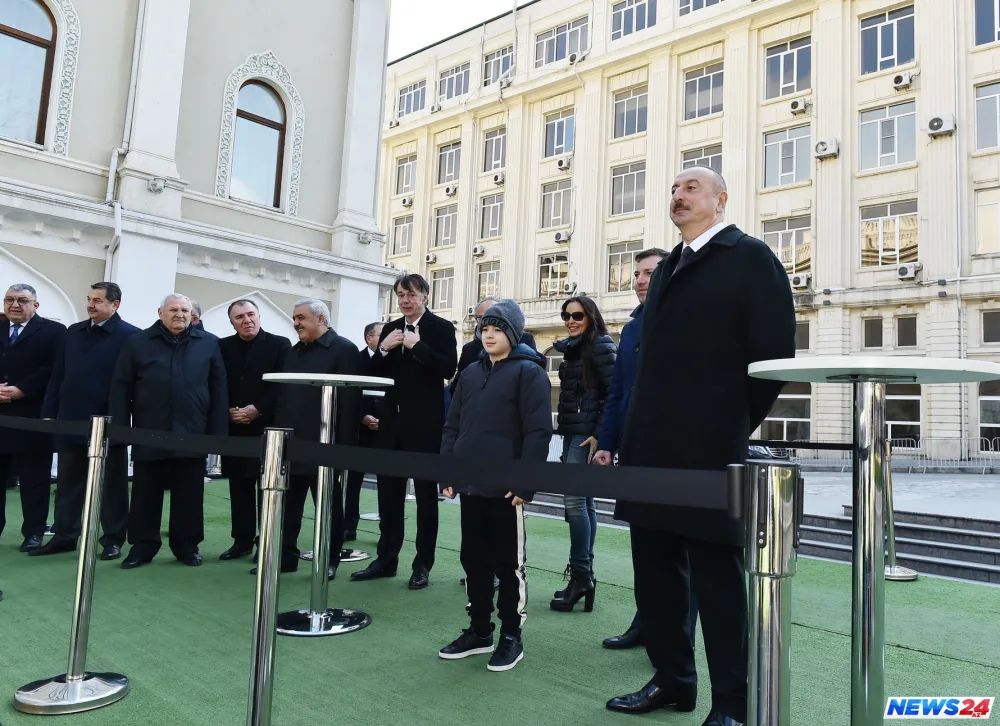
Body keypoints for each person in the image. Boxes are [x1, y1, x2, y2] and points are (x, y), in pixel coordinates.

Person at [606, 167, 795, 726]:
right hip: (649, 449)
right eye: (674, 189)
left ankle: (732, 705)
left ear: (721, 200)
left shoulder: (750, 257)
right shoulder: (666, 268)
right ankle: (673, 681)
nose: (678, 195)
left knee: (717, 583)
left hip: (710, 450)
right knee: (656, 574)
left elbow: (772, 357)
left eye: (691, 188)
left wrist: (731, 424)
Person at [438, 299, 550, 672]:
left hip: (506, 491)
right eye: (484, 328)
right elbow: (452, 426)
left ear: (513, 333)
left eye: (498, 328)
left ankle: (511, 636)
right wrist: (449, 473)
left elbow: (538, 432)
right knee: (473, 560)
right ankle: (479, 630)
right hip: (470, 485)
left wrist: (525, 482)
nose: (488, 334)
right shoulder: (469, 372)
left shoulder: (529, 372)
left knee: (508, 564)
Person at [591, 248, 687, 649]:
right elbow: (618, 393)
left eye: (650, 273)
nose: (640, 280)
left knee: (677, 555)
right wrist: (608, 442)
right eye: (636, 274)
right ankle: (645, 622)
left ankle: (676, 640)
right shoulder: (630, 329)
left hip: (675, 453)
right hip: (636, 451)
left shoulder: (683, 319)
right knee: (643, 547)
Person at [351, 274, 457, 590]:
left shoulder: (440, 328)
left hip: (425, 427)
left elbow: (447, 369)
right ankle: (386, 560)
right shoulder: (391, 327)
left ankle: (422, 564)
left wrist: (417, 345)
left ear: (425, 295)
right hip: (390, 425)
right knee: (388, 496)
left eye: (410, 294)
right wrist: (382, 349)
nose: (405, 300)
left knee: (425, 498)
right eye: (400, 295)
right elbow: (371, 377)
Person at [109, 293, 228, 569]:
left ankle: (187, 546)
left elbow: (219, 389)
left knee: (189, 493)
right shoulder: (137, 342)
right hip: (149, 430)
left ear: (192, 315)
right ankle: (141, 547)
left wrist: (217, 433)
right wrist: (120, 429)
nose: (180, 314)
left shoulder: (209, 344)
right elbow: (121, 386)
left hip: (192, 431)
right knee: (145, 492)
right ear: (160, 312)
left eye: (185, 310)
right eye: (173, 309)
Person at [36, 282, 139, 560]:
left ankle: (113, 540)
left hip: (109, 424)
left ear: (115, 304)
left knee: (111, 486)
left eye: (98, 300)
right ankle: (65, 535)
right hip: (70, 419)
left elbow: (133, 385)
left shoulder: (131, 337)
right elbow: (59, 374)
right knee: (68, 483)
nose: (91, 304)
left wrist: (120, 424)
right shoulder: (73, 332)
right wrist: (50, 411)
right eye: (89, 299)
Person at [271, 299, 360, 579]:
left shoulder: (345, 349)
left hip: (325, 445)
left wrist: (343, 448)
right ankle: (286, 557)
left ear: (321, 319)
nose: (296, 323)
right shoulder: (293, 351)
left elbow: (350, 402)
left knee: (328, 507)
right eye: (294, 318)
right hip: (292, 443)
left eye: (301, 318)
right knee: (289, 504)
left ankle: (330, 559)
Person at [549, 296, 616, 613]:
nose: (571, 320)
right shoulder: (571, 349)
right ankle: (583, 576)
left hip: (585, 435)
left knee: (575, 503)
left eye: (577, 315)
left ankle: (581, 576)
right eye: (566, 315)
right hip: (572, 432)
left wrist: (599, 434)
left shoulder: (600, 345)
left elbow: (614, 392)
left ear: (591, 316)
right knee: (583, 503)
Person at [217, 299, 290, 561]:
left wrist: (256, 409)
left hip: (266, 428)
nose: (246, 321)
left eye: (251, 315)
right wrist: (228, 410)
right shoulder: (222, 346)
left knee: (266, 488)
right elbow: (218, 382)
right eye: (239, 317)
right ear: (232, 322)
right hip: (234, 427)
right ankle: (242, 541)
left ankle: (266, 541)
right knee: (238, 486)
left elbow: (282, 385)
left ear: (259, 316)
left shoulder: (280, 344)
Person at [0, 284, 66, 552]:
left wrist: (21, 390)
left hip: (34, 417)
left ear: (35, 305)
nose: (15, 305)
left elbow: (53, 369)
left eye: (22, 300)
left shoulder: (54, 332)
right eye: (10, 300)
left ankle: (34, 532)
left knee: (34, 480)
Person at [343, 321, 383, 540]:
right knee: (353, 480)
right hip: (359, 429)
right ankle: (349, 525)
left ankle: (386, 525)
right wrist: (363, 417)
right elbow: (350, 393)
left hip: (385, 429)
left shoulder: (395, 360)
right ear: (369, 338)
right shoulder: (354, 359)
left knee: (386, 480)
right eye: (382, 334)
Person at [450, 297, 538, 395]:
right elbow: (457, 389)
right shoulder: (469, 350)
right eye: (481, 317)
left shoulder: (524, 341)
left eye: (493, 315)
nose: (487, 320)